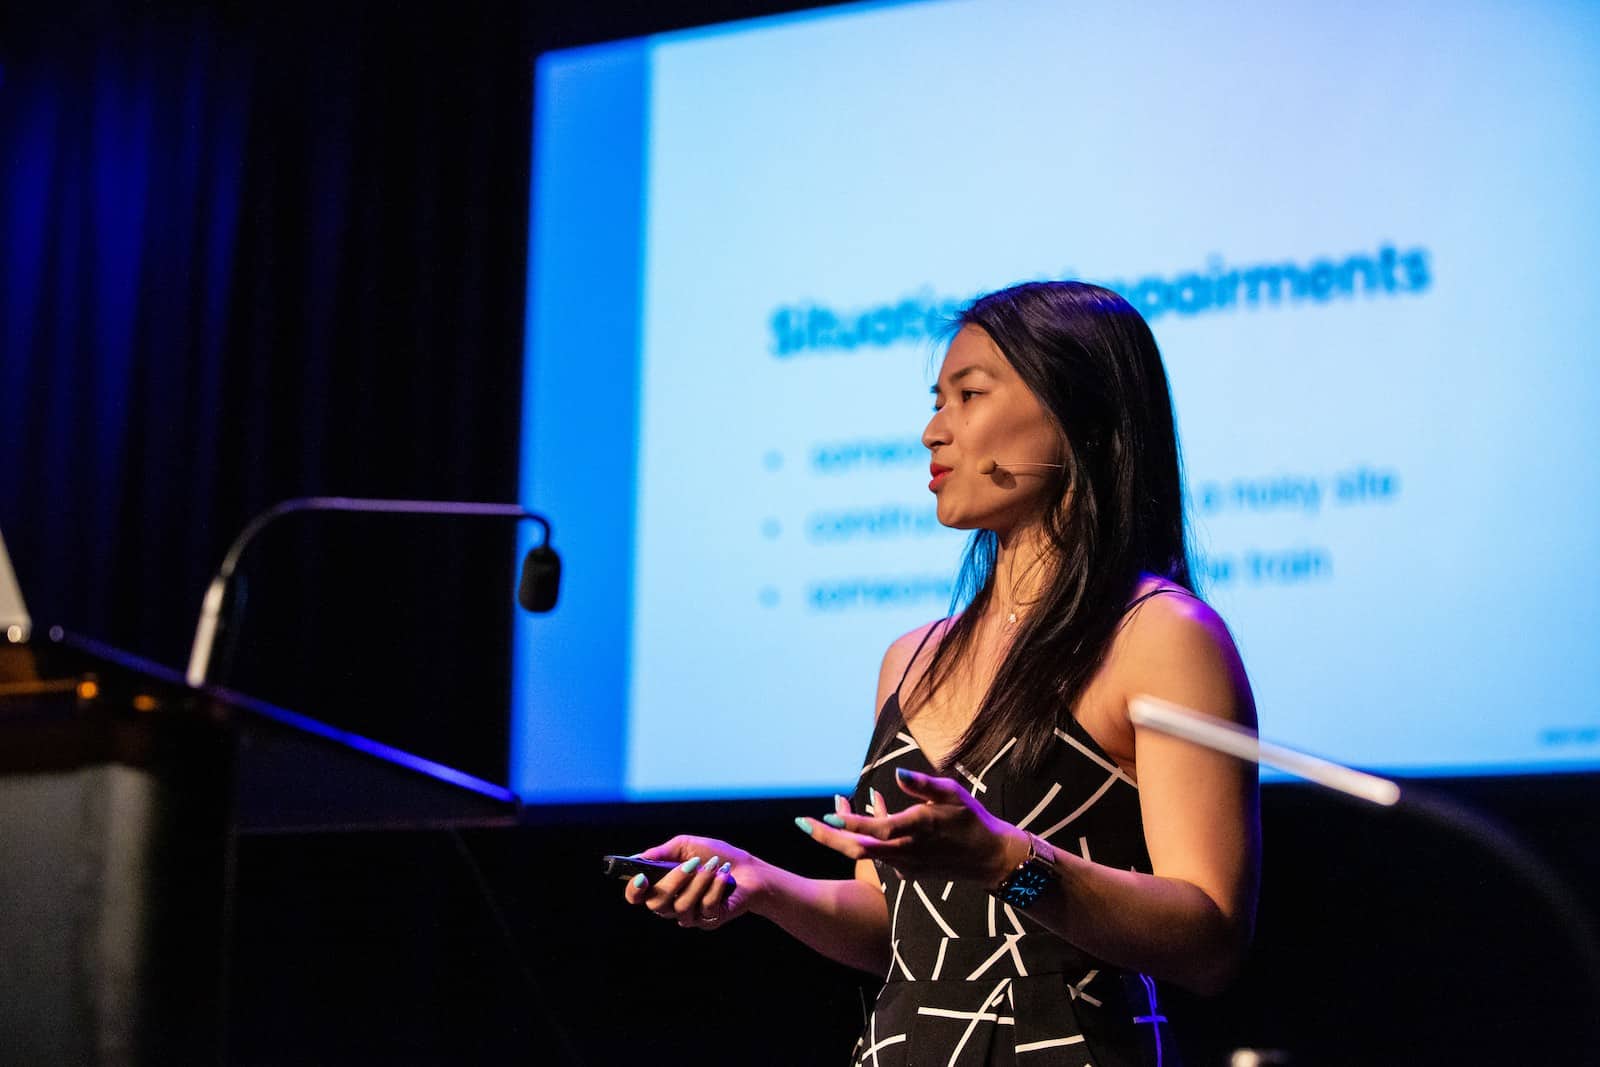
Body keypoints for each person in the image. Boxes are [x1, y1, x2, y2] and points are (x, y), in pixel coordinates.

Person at [622, 281, 1260, 1066]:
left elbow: (1210, 942)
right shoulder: (912, 657)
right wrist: (761, 885)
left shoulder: (1159, 634)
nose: (932, 430)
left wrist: (1005, 862)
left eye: (969, 395)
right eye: (937, 399)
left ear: (1081, 416)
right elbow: (897, 925)